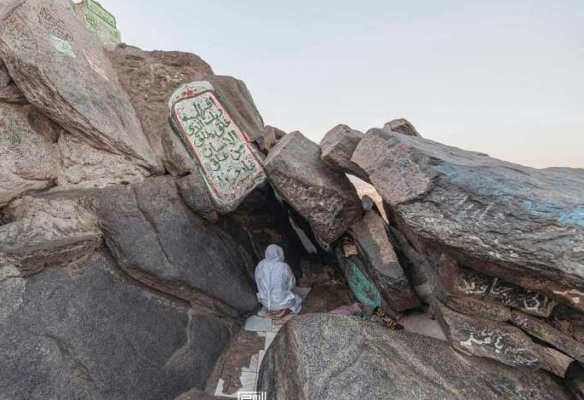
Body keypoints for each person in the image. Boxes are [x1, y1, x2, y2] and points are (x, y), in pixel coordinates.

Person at [255, 244, 302, 318]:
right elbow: (292, 284)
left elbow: (258, 282)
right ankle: (282, 310)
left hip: (264, 302)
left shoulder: (260, 265)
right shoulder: (284, 266)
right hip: (281, 302)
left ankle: (270, 309)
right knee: (297, 299)